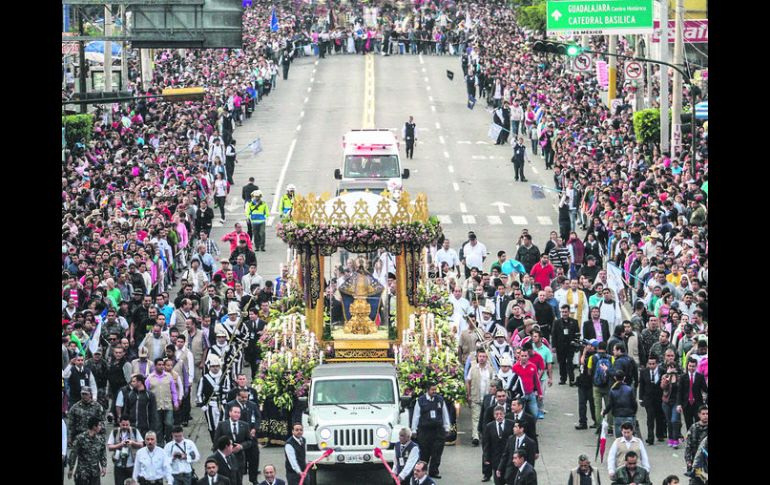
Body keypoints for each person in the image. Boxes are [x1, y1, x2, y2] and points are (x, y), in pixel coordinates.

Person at [411, 382, 451, 479]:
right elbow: (416, 416)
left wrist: (447, 427)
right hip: (425, 431)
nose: (434, 392)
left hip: (438, 430)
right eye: (432, 390)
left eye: (435, 390)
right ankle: (422, 472)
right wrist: (414, 430)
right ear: (427, 390)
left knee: (437, 452)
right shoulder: (420, 401)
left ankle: (434, 471)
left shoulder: (440, 400)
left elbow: (445, 414)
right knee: (425, 452)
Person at [226, 388, 261, 483]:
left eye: (246, 397)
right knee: (239, 462)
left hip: (251, 436)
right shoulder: (230, 405)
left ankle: (254, 479)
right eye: (242, 397)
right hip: (238, 438)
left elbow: (258, 418)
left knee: (254, 458)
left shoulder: (252, 405)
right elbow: (226, 421)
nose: (245, 399)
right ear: (237, 396)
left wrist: (255, 429)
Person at [466, 347, 496, 446]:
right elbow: (468, 381)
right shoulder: (473, 369)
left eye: (484, 356)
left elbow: (494, 383)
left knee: (486, 417)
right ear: (477, 358)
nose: (482, 358)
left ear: (486, 358)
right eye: (480, 356)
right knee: (476, 417)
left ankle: (485, 435)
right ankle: (475, 437)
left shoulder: (490, 370)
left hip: (487, 398)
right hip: (476, 397)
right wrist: (468, 394)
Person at [68, 417, 107, 485]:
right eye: (99, 425)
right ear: (94, 426)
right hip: (82, 472)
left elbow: (102, 453)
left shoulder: (100, 439)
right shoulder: (80, 438)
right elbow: (73, 453)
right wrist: (71, 469)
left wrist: (104, 466)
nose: (101, 427)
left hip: (95, 472)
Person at [107, 415, 145, 485]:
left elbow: (141, 444)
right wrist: (120, 445)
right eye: (123, 425)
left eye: (127, 425)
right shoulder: (114, 432)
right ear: (119, 423)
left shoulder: (134, 431)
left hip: (132, 465)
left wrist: (132, 443)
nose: (125, 426)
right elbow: (110, 447)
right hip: (119, 465)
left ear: (129, 424)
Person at [638, 354, 666, 445]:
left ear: (657, 363)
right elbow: (641, 386)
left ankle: (660, 434)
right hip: (648, 398)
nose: (651, 366)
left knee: (659, 416)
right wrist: (640, 398)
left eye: (653, 364)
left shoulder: (662, 371)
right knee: (650, 417)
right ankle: (650, 437)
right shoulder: (644, 372)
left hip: (659, 398)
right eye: (649, 364)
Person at [482, 406, 514, 484]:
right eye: (497, 414)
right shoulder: (489, 426)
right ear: (494, 415)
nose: (499, 416)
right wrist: (486, 457)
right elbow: (487, 443)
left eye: (501, 414)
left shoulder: (511, 424)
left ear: (504, 414)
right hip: (495, 458)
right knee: (498, 480)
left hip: (508, 457)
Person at [551, 304, 580, 385]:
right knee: (562, 363)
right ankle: (563, 379)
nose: (564, 314)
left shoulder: (574, 322)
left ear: (569, 312)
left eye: (566, 312)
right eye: (562, 312)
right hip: (560, 346)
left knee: (570, 363)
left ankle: (572, 379)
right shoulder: (556, 322)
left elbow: (577, 334)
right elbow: (554, 335)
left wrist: (576, 343)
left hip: (571, 346)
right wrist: (553, 346)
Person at [603, 371, 638, 438]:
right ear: (624, 378)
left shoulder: (613, 390)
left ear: (615, 378)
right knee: (629, 437)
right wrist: (633, 413)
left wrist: (604, 412)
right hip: (629, 415)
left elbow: (610, 404)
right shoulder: (629, 389)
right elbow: (634, 403)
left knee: (619, 439)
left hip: (618, 415)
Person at [677, 359, 707, 430]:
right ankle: (689, 439)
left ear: (696, 367)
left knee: (698, 423)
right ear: (687, 366)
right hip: (686, 404)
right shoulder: (683, 377)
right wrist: (679, 404)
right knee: (688, 424)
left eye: (693, 366)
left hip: (697, 404)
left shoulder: (700, 377)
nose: (691, 368)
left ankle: (698, 439)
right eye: (690, 366)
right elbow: (679, 392)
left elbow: (705, 389)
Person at [683, 405, 708, 478]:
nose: (705, 416)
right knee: (696, 481)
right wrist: (688, 461)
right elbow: (688, 446)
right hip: (696, 463)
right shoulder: (693, 428)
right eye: (703, 414)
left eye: (707, 414)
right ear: (699, 415)